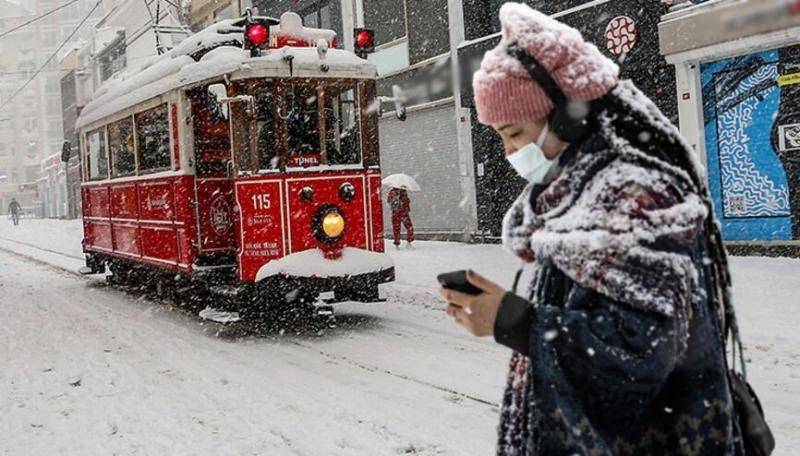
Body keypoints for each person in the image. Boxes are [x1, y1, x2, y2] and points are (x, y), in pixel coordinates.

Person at [439, 4, 744, 455]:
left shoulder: (633, 195)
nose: (509, 152)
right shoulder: (578, 194)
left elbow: (641, 357)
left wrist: (515, 322)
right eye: (501, 139)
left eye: (515, 133)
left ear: (568, 116)